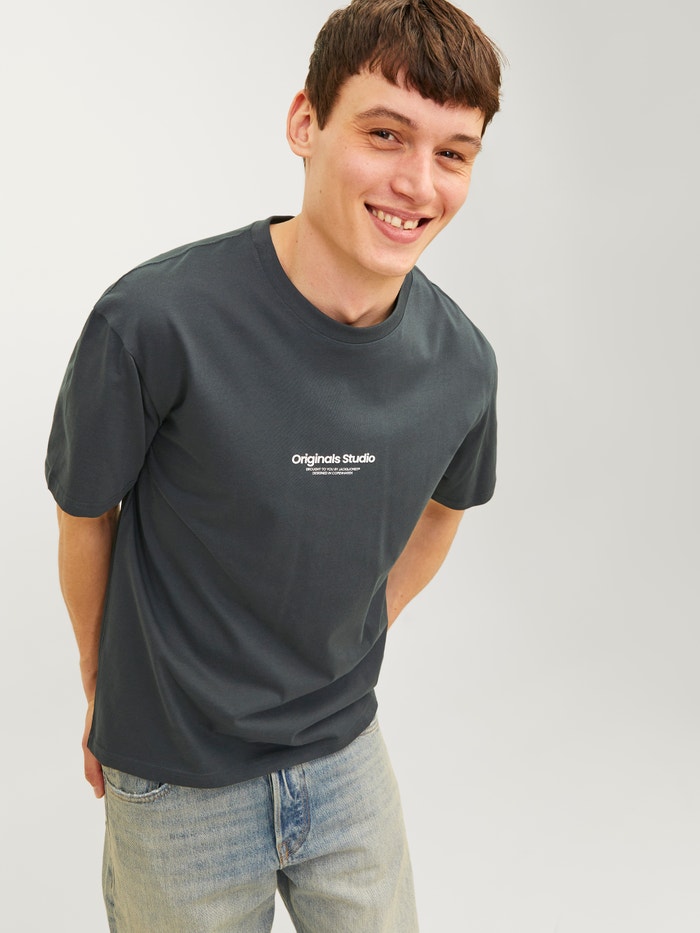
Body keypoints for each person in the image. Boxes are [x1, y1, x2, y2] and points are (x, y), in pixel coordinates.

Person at [46, 0, 503, 929]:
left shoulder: (462, 363)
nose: (418, 182)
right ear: (306, 122)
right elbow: (86, 513)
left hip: (345, 760)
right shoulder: (153, 322)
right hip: (175, 783)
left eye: (453, 153)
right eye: (386, 134)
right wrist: (103, 681)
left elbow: (444, 510)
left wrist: (363, 623)